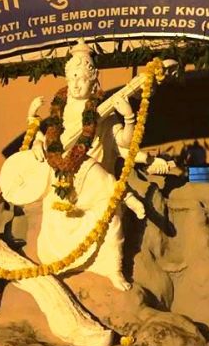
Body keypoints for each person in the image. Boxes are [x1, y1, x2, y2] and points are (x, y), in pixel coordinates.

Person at [27, 39, 168, 291]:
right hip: (62, 181)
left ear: (93, 82)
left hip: (94, 183)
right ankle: (57, 265)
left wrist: (128, 117)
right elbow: (48, 140)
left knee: (110, 213)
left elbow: (123, 143)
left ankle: (113, 268)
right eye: (72, 78)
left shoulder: (103, 111)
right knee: (53, 210)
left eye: (82, 79)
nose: (76, 84)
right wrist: (37, 143)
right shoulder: (60, 110)